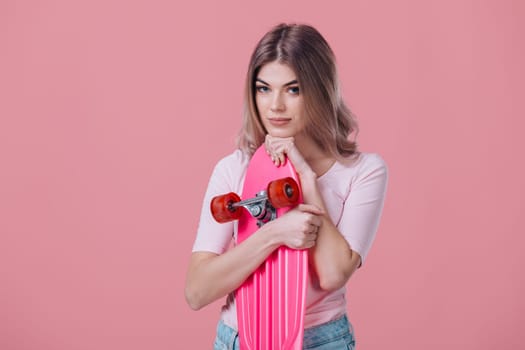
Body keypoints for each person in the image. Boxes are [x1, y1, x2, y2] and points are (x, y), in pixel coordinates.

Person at [185, 23, 388, 349]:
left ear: (321, 91)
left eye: (293, 90)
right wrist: (275, 233)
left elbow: (333, 274)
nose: (275, 105)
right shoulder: (234, 169)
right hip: (240, 339)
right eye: (264, 88)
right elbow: (197, 291)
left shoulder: (363, 172)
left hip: (322, 341)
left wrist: (307, 178)